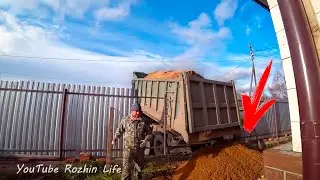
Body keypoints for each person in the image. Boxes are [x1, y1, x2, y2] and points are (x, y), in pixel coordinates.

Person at [112, 102, 153, 180]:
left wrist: (145, 141)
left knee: (139, 169)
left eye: (139, 111)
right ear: (132, 111)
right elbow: (119, 131)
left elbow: (150, 134)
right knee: (126, 169)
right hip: (128, 150)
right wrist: (115, 139)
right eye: (136, 111)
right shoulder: (125, 120)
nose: (138, 113)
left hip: (139, 150)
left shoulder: (144, 121)